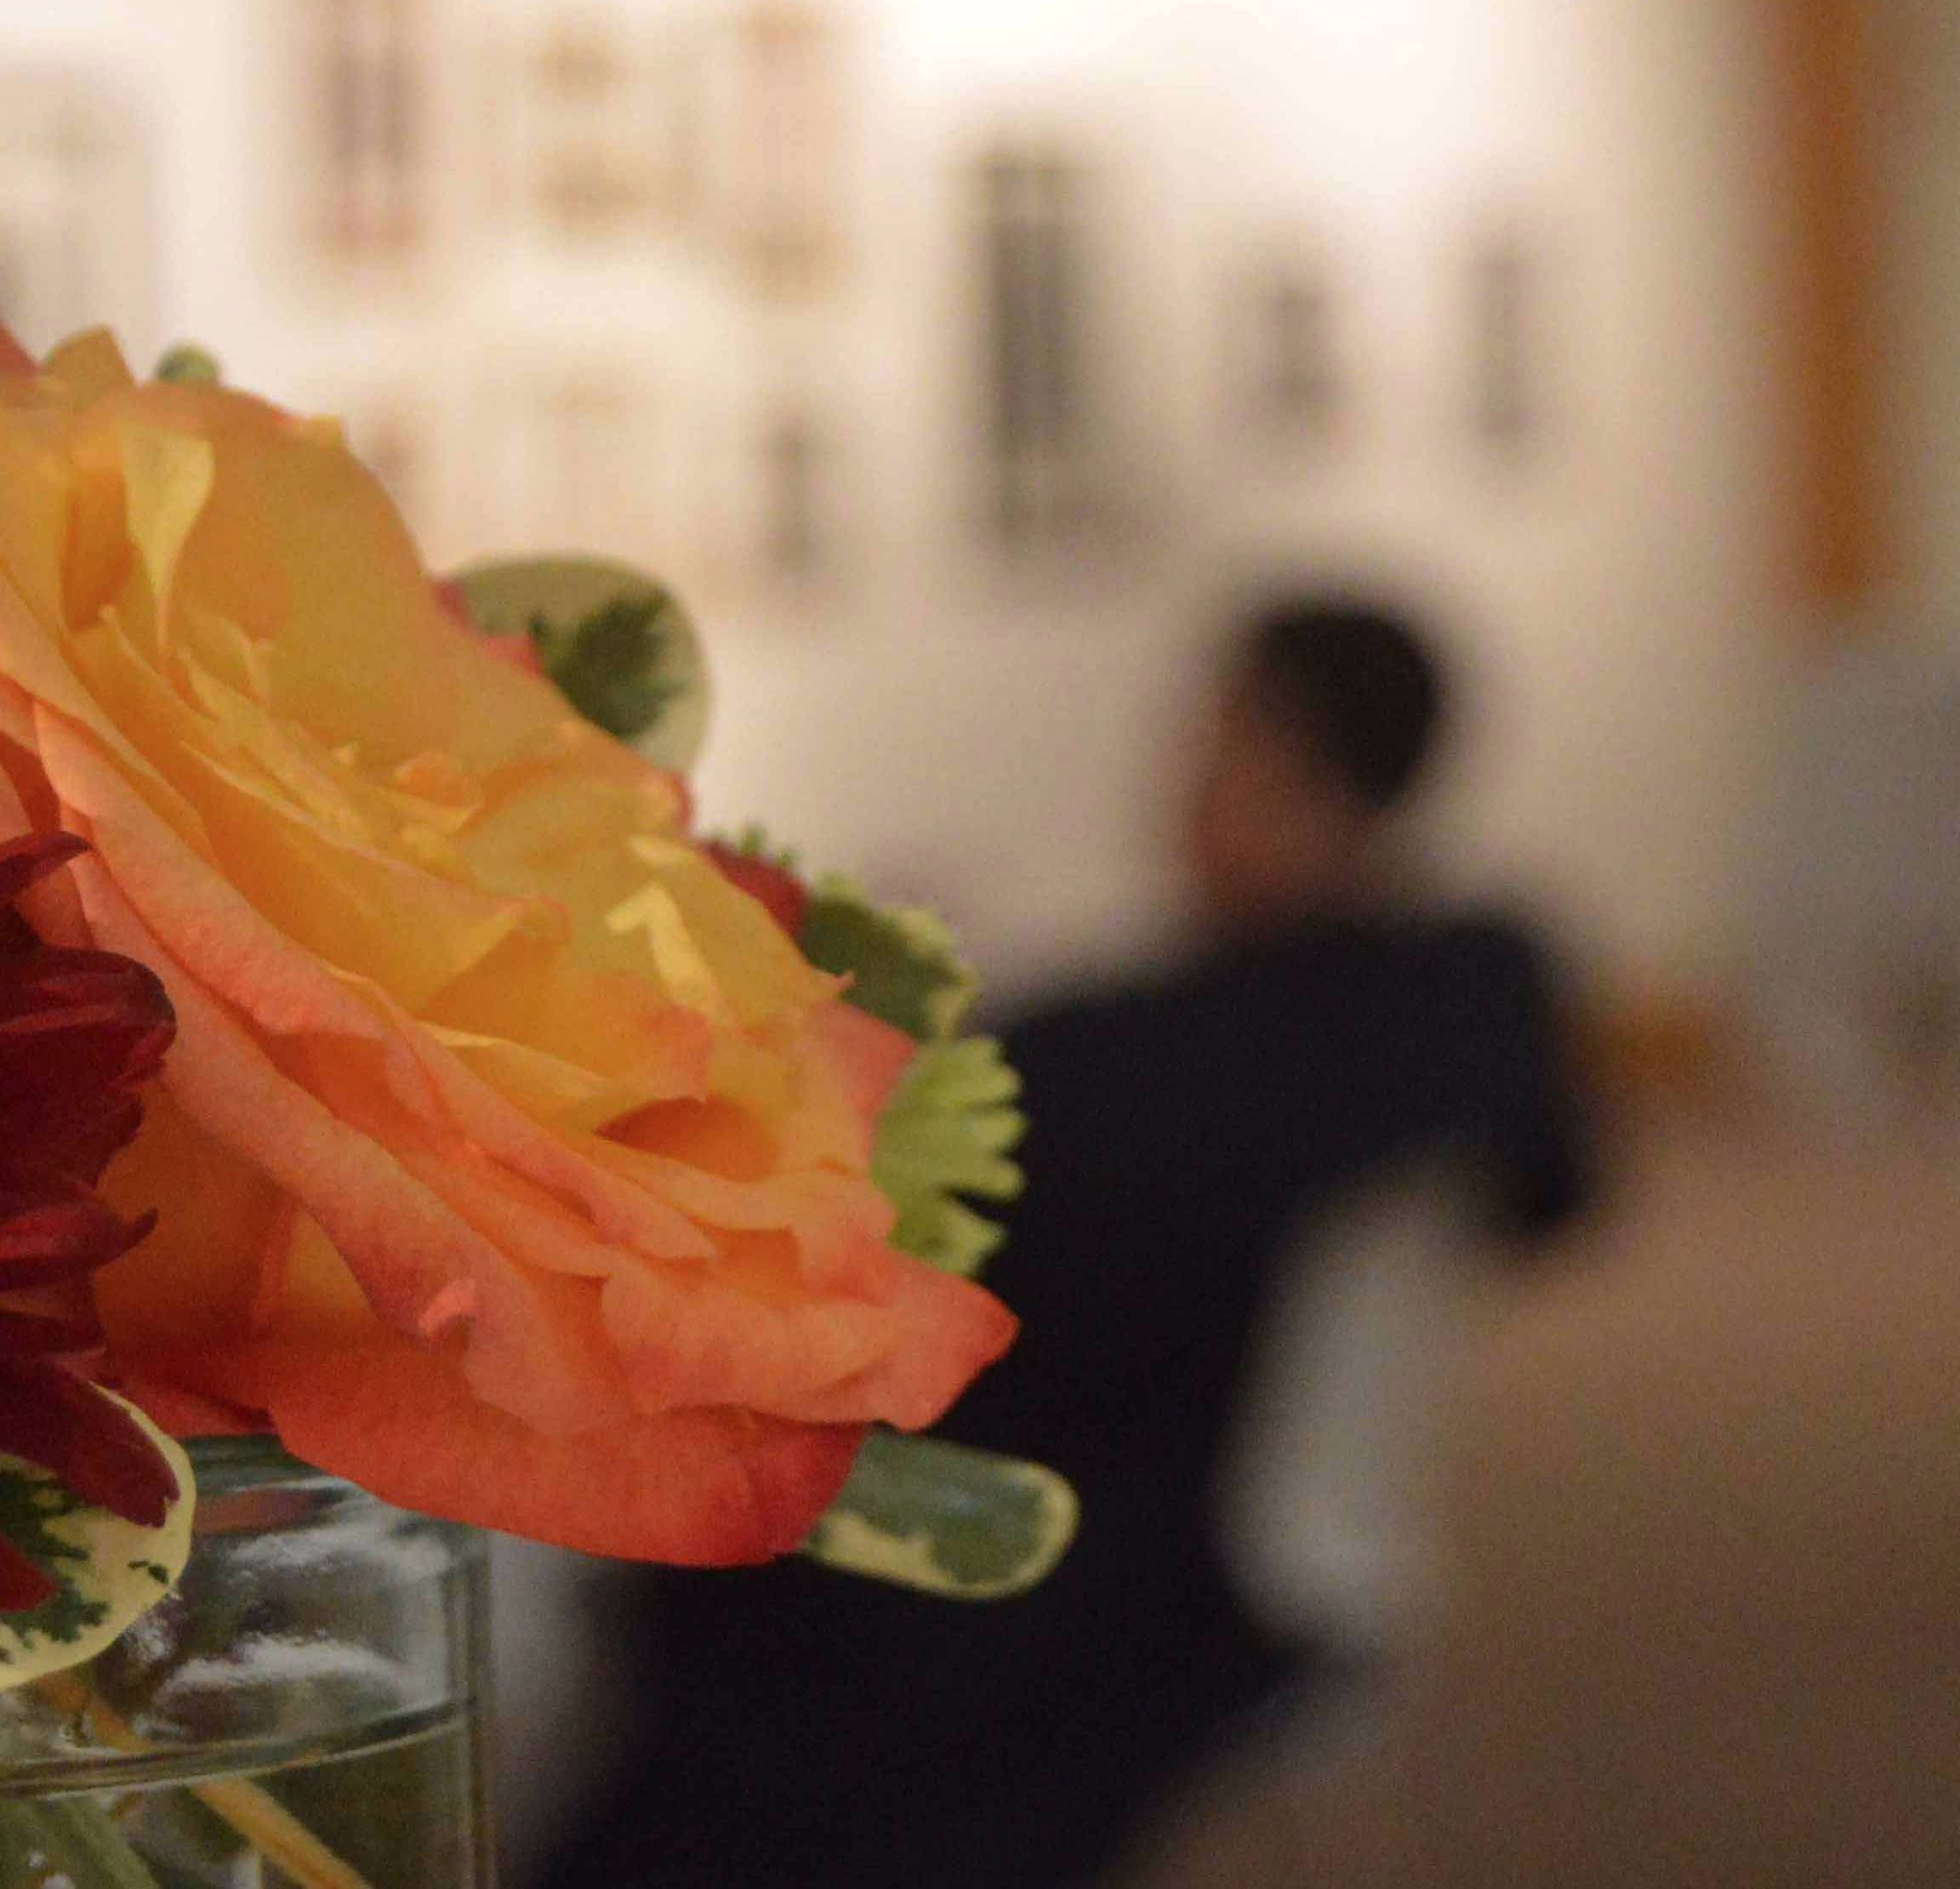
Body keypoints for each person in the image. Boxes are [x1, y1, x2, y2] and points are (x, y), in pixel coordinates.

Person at [539, 591, 1596, 1888]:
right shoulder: (1449, 999)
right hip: (1190, 1499)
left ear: (1279, 756)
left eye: (1211, 737)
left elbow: (997, 1213)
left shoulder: (1203, 1046)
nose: (1182, 779)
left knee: (733, 1624)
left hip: (1120, 1551)